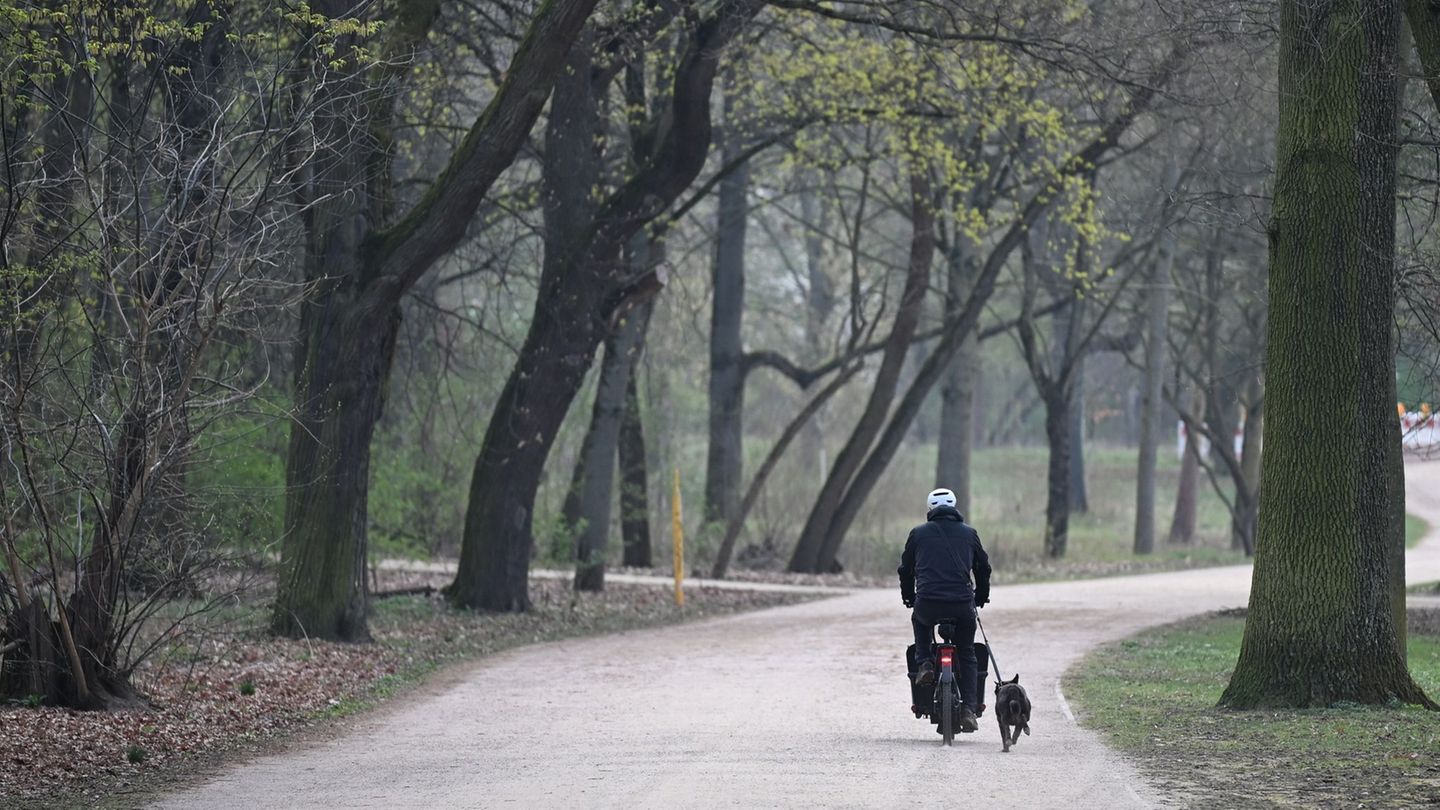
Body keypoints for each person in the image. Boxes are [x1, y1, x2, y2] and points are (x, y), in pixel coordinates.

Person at [899, 487, 991, 732]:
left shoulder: (917, 534)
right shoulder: (969, 534)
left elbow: (905, 570)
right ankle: (969, 709)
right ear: (954, 507)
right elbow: (983, 569)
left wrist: (909, 597)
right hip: (962, 604)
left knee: (920, 621)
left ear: (930, 510)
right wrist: (981, 596)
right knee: (968, 652)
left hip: (927, 602)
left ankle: (926, 663)